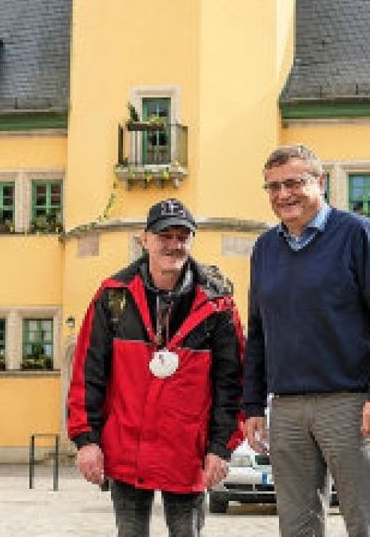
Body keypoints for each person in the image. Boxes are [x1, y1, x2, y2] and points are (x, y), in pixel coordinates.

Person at [243, 144, 370, 537]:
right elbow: (259, 330)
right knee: (297, 525)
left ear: (320, 182)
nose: (284, 195)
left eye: (294, 183)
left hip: (349, 404)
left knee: (365, 522)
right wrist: (253, 404)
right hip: (286, 408)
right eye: (273, 187)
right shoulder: (264, 249)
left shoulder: (357, 234)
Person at [67, 198, 245, 537]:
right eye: (165, 236)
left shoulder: (218, 304)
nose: (174, 245)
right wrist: (86, 440)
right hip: (126, 448)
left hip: (188, 453)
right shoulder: (112, 296)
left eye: (182, 236)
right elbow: (87, 372)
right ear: (144, 240)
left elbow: (232, 382)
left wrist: (221, 447)